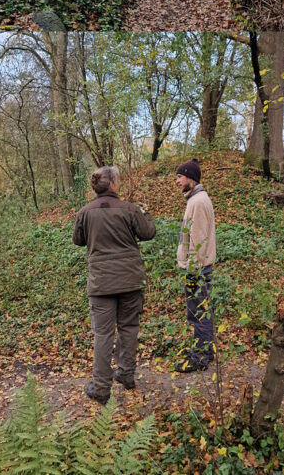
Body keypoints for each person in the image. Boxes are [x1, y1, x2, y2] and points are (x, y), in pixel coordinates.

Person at [72, 165, 156, 404]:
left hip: (100, 284)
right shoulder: (129, 209)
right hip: (130, 281)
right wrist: (145, 212)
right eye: (118, 180)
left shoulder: (85, 212)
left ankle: (101, 389)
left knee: (102, 334)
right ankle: (127, 375)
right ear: (111, 184)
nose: (119, 183)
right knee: (129, 328)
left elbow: (77, 240)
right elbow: (148, 233)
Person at [175, 158, 217, 373]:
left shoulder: (198, 201)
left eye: (180, 177)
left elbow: (198, 241)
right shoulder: (195, 199)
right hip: (196, 267)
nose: (177, 181)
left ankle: (200, 357)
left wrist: (192, 271)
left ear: (190, 178)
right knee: (200, 311)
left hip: (197, 268)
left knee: (200, 313)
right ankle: (205, 351)